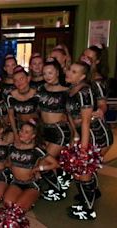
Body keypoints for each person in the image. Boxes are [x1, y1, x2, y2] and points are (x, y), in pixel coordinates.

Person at [65, 59, 102, 220]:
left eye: (74, 72)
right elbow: (71, 118)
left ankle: (88, 211)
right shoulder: (71, 89)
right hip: (81, 134)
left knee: (84, 172)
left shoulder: (85, 92)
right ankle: (88, 198)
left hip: (93, 135)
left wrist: (83, 150)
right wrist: (75, 136)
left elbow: (86, 122)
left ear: (82, 77)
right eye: (69, 70)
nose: (68, 73)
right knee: (79, 172)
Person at [3, 120, 58, 211]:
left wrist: (38, 168)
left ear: (33, 136)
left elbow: (55, 164)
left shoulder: (36, 150)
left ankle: (31, 199)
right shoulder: (12, 147)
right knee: (8, 204)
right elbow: (8, 162)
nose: (22, 133)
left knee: (18, 209)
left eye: (26, 132)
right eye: (21, 130)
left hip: (31, 184)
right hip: (16, 182)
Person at [37, 58, 71, 201]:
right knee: (42, 159)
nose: (47, 76)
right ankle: (56, 187)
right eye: (45, 73)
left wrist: (75, 137)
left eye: (50, 73)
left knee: (44, 162)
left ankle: (57, 190)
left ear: (57, 72)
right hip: (44, 131)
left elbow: (71, 116)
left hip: (59, 132)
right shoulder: (41, 89)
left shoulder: (66, 92)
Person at [80, 45, 113, 156]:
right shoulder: (80, 77)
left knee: (87, 169)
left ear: (97, 61)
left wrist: (99, 111)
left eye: (89, 58)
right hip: (82, 130)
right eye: (83, 55)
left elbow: (103, 104)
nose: (84, 58)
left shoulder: (97, 81)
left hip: (97, 133)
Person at [7, 65, 39, 142]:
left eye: (21, 79)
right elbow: (11, 116)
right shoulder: (11, 96)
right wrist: (15, 133)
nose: (19, 82)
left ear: (28, 79)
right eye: (15, 80)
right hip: (20, 128)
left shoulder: (37, 94)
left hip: (35, 129)